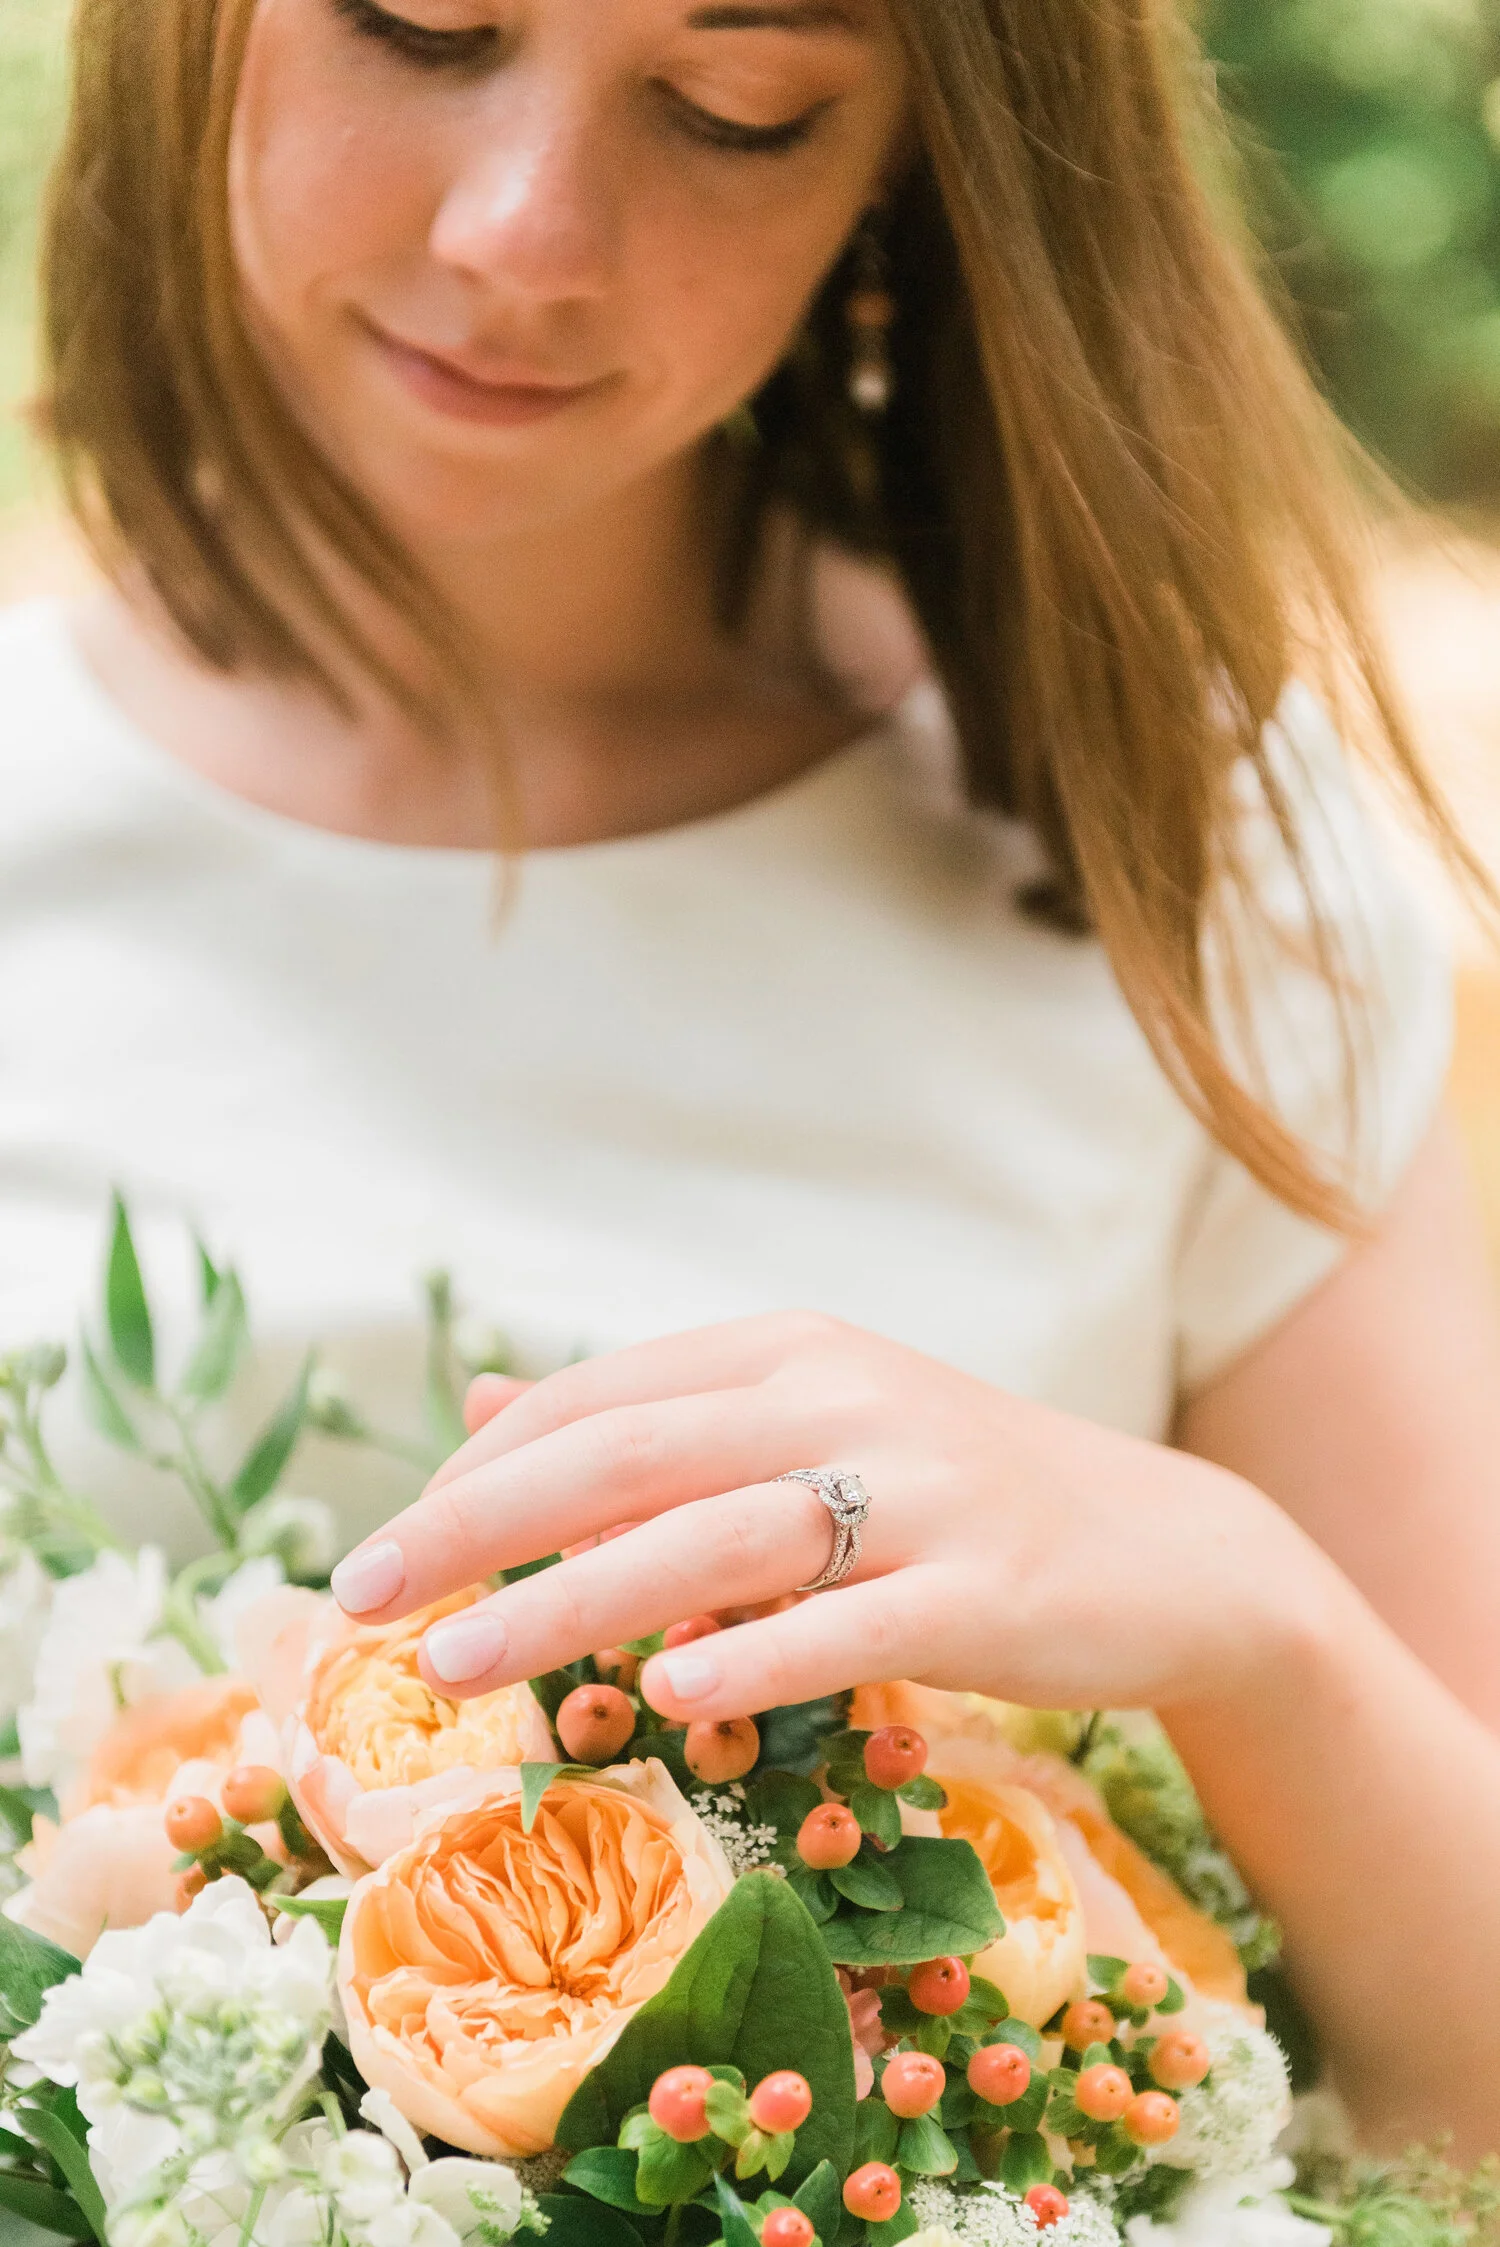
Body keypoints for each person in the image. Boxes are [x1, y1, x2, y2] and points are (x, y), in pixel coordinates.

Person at [2, 0, 1497, 2154]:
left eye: (731, 112)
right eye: (421, 24)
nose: (525, 233)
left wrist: (1247, 1613)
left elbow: (1477, 2104)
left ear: (915, 163)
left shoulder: (1189, 870)